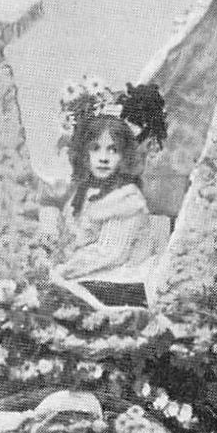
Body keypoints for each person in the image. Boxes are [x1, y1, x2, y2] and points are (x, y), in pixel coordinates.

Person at [53, 111, 159, 308]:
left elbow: (110, 253)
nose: (104, 158)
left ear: (125, 156)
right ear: (84, 154)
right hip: (91, 273)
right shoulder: (82, 194)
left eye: (113, 150)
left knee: (56, 293)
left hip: (122, 281)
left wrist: (64, 269)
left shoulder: (127, 199)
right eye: (95, 149)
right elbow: (67, 237)